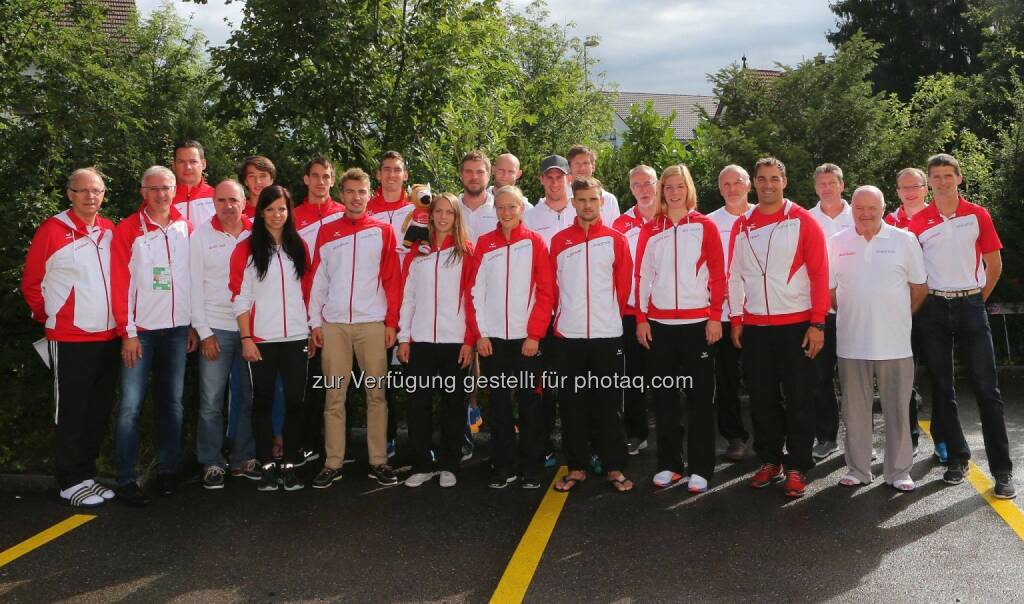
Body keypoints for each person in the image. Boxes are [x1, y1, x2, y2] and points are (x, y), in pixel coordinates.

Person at [909, 153, 1016, 499]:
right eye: (935, 177)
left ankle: (1002, 471)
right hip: (934, 308)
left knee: (987, 390)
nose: (942, 182)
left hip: (971, 305)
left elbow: (994, 262)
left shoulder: (977, 214)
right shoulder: (918, 222)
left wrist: (976, 299)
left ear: (959, 177)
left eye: (947, 175)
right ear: (928, 182)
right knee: (942, 388)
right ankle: (956, 458)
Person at [728, 157, 829, 498]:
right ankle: (770, 460)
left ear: (784, 181)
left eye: (774, 178)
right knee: (761, 399)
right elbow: (735, 275)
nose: (768, 184)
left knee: (800, 398)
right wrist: (737, 319)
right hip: (755, 327)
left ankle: (798, 465)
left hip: (796, 324)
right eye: (762, 179)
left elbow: (819, 274)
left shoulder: (802, 220)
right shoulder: (742, 225)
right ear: (754, 183)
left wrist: (817, 323)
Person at [21, 167, 119, 507]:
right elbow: (32, 284)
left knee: (97, 410)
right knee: (71, 411)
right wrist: (50, 317)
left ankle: (86, 474)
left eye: (98, 191)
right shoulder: (52, 230)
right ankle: (68, 480)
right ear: (70, 194)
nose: (91, 197)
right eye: (84, 191)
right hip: (70, 338)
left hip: (109, 336)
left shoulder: (108, 230)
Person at [308, 168, 402, 488]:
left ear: (368, 193)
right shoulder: (327, 232)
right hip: (334, 326)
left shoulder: (383, 231)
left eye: (361, 192)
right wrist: (314, 322)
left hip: (372, 325)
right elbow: (317, 281)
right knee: (335, 395)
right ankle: (333, 462)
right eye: (349, 191)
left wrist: (392, 322)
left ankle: (379, 461)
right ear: (342, 194)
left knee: (377, 395)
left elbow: (392, 279)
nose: (356, 197)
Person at [634, 165, 725, 493]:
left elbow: (718, 275)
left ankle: (701, 467)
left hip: (698, 325)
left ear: (688, 189)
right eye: (668, 187)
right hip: (660, 327)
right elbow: (642, 276)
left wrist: (715, 316)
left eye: (679, 186)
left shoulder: (704, 226)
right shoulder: (651, 228)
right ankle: (670, 464)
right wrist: (642, 319)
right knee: (665, 398)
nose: (673, 192)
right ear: (661, 191)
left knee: (700, 400)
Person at [830, 186, 927, 491]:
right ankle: (858, 469)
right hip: (851, 342)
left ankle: (898, 471)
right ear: (852, 210)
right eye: (859, 208)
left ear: (884, 208)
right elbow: (831, 293)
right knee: (854, 409)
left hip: (895, 342)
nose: (866, 213)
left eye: (872, 207)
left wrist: (896, 317)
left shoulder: (905, 240)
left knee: (897, 409)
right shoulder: (836, 242)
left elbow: (919, 288)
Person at [111, 165, 197, 505]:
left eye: (167, 188)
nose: (162, 194)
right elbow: (120, 282)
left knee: (171, 405)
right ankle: (125, 479)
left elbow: (189, 280)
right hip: (141, 333)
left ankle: (167, 471)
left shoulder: (185, 227)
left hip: (176, 332)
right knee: (131, 407)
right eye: (154, 188)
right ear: (143, 192)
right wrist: (127, 332)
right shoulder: (128, 230)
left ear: (175, 190)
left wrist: (191, 324)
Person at [549, 177, 634, 493]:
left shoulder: (616, 240)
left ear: (602, 202)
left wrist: (607, 317)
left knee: (608, 403)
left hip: (606, 334)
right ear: (574, 202)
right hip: (568, 336)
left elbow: (623, 289)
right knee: (571, 404)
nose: (587, 205)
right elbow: (553, 288)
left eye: (592, 200)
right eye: (581, 200)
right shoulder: (559, 241)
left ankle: (614, 466)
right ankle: (577, 466)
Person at [468, 185, 554, 489]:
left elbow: (546, 293)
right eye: (501, 207)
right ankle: (503, 465)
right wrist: (480, 334)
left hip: (526, 341)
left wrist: (534, 335)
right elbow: (474, 292)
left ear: (521, 209)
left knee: (530, 404)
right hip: (493, 342)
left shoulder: (535, 243)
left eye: (512, 207)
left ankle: (532, 466)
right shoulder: (484, 244)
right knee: (500, 404)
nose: (506, 212)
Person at [230, 185, 313, 492]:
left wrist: (311, 327)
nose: (277, 215)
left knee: (295, 402)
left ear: (289, 211)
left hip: (295, 337)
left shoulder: (298, 246)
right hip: (261, 338)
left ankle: (290, 464)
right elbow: (239, 298)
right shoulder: (247, 249)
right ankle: (266, 466)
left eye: (282, 209)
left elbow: (308, 292)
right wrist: (246, 338)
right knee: (261, 402)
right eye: (270, 209)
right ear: (260, 212)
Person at [398, 193, 477, 488]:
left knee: (453, 405)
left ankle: (449, 463)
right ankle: (421, 464)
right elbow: (408, 297)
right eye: (438, 212)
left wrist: (469, 340)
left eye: (450, 213)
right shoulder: (418, 252)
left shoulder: (467, 252)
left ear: (457, 218)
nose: (443, 217)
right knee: (418, 404)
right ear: (430, 216)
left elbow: (473, 299)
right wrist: (404, 337)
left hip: (455, 341)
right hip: (420, 341)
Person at [190, 179, 258, 489]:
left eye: (233, 199)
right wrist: (204, 333)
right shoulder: (201, 235)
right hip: (215, 328)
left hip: (250, 330)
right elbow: (193, 286)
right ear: (213, 202)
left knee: (246, 397)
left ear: (244, 202)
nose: (228, 206)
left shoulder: (257, 232)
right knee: (211, 401)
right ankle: (212, 462)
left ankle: (244, 458)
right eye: (221, 200)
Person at [292, 156, 345, 465]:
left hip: (338, 312)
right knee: (309, 383)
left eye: (326, 176)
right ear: (306, 179)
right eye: (315, 176)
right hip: (302, 310)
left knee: (338, 384)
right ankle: (309, 446)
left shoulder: (343, 213)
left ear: (333, 180)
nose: (321, 181)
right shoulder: (293, 217)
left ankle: (338, 448)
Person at [367, 150, 414, 457]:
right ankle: (386, 437)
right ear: (378, 175)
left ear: (405, 175)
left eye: (398, 169)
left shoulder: (418, 208)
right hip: (376, 303)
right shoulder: (365, 209)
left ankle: (417, 442)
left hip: (413, 301)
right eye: (387, 169)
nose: (392, 174)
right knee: (380, 377)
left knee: (412, 377)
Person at [886, 167, 935, 458]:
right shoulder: (889, 222)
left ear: (925, 187)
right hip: (902, 309)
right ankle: (910, 438)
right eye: (904, 187)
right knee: (904, 379)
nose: (910, 191)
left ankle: (945, 442)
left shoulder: (941, 216)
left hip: (936, 306)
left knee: (940, 378)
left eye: (915, 185)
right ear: (897, 192)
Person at [707, 164, 754, 462]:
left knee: (766, 380)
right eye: (726, 183)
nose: (732, 188)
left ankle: (773, 437)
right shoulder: (709, 222)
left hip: (762, 313)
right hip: (723, 316)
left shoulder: (764, 216)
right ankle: (734, 437)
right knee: (725, 382)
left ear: (748, 185)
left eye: (738, 182)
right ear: (720, 188)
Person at [808, 163, 854, 462]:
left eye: (831, 182)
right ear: (815, 187)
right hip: (821, 314)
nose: (826, 187)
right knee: (819, 378)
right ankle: (826, 437)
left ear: (842, 184)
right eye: (821, 183)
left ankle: (859, 441)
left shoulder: (861, 214)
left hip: (856, 312)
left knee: (856, 381)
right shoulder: (806, 219)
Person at [612, 165, 658, 456]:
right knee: (633, 377)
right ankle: (637, 432)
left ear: (658, 184)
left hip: (666, 312)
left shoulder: (672, 219)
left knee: (670, 375)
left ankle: (671, 432)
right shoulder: (620, 225)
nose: (643, 189)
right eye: (637, 184)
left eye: (648, 183)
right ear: (631, 189)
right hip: (630, 312)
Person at [566, 144, 621, 223]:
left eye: (585, 163)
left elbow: (615, 233)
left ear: (593, 166)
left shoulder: (609, 200)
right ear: (569, 167)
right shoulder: (561, 199)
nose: (581, 168)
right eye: (577, 163)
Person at [172, 140, 216, 226]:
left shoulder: (218, 197)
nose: (187, 167)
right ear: (174, 165)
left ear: (203, 164)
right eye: (181, 162)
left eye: (193, 162)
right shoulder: (162, 199)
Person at [458, 150, 498, 244]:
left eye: (480, 172)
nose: (474, 177)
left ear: (489, 176)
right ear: (461, 175)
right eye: (468, 171)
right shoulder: (450, 209)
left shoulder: (501, 210)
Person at [239, 155, 276, 220]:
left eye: (263, 176)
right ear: (245, 181)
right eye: (252, 176)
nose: (258, 181)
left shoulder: (282, 211)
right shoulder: (238, 210)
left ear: (271, 180)